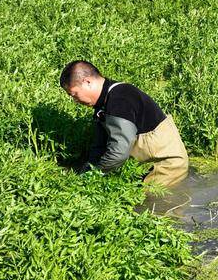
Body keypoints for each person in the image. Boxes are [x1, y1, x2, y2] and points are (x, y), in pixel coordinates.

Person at [60, 60, 189, 188]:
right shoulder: (104, 103)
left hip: (167, 166)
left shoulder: (120, 100)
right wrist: (85, 171)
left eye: (74, 94)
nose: (75, 101)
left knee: (149, 204)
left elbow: (118, 153)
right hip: (148, 163)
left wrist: (90, 176)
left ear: (87, 82)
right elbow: (99, 146)